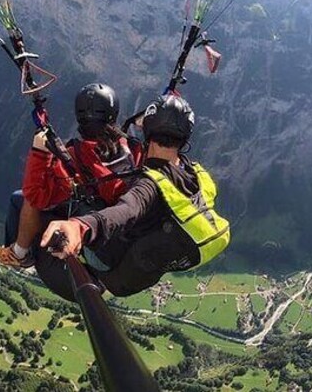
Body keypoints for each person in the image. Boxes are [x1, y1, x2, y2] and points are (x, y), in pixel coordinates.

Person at [35, 93, 230, 302]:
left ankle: (23, 252)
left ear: (148, 130)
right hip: (145, 272)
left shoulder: (151, 185)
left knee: (62, 208)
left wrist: (79, 226)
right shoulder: (198, 175)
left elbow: (125, 211)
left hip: (113, 270)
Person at [0, 83, 142, 269]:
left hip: (101, 254)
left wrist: (40, 153)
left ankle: (19, 254)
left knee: (21, 198)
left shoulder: (76, 157)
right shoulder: (131, 148)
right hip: (129, 236)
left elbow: (36, 196)